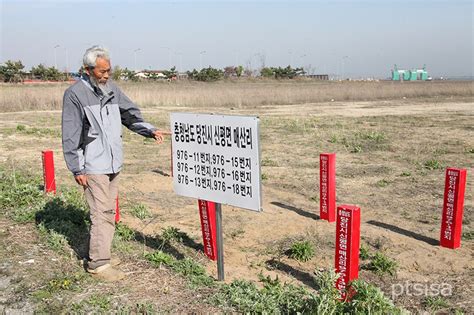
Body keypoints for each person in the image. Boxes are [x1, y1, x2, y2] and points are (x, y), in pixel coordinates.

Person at [62, 45, 170, 281]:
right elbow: (70, 133)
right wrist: (76, 167)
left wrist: (150, 131)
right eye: (101, 71)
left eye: (108, 70)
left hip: (113, 162)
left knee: (108, 210)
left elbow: (130, 115)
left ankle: (103, 253)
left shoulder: (111, 89)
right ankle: (98, 264)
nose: (106, 75)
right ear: (87, 70)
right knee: (100, 212)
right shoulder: (75, 95)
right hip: (92, 164)